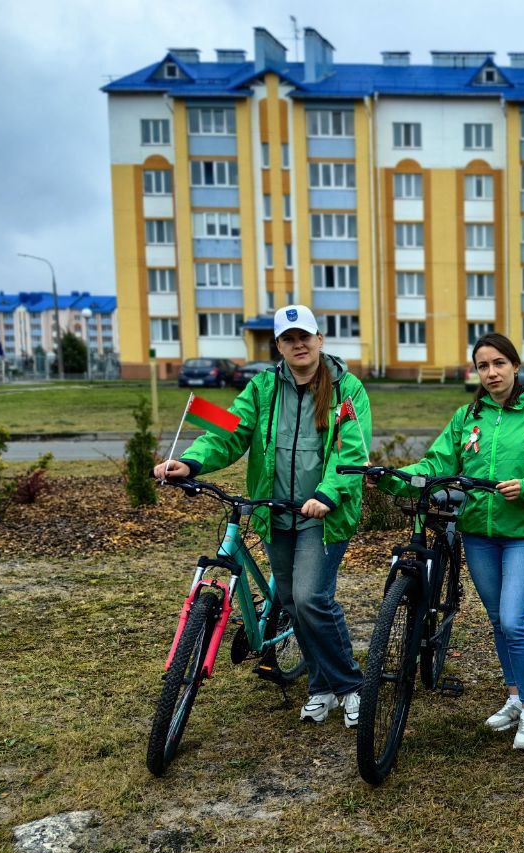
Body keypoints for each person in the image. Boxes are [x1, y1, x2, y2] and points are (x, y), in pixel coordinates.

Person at [154, 305, 372, 726]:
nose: (299, 344)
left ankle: (350, 686)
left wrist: (327, 494)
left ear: (319, 339)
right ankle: (321, 687)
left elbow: (352, 450)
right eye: (289, 339)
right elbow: (227, 430)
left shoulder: (348, 389)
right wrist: (191, 461)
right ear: (279, 346)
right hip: (275, 514)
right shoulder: (262, 387)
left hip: (324, 514)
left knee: (311, 599)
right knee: (290, 602)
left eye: (305, 336)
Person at [380, 333, 524, 751]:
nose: (491, 373)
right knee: (498, 619)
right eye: (483, 366)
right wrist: (395, 477)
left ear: (515, 366)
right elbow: (437, 462)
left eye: (499, 363)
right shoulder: (467, 417)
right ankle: (515, 697)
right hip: (478, 534)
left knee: (514, 621)